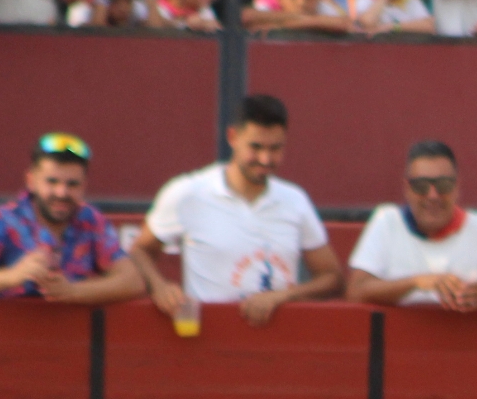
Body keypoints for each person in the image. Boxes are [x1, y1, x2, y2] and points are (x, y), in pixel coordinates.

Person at [131, 94, 342, 329]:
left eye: (275, 148)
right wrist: (160, 287)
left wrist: (283, 296)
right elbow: (139, 251)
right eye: (256, 147)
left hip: (280, 341)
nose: (265, 159)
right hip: (207, 339)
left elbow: (331, 277)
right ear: (233, 137)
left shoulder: (295, 200)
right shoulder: (188, 193)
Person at [347, 141, 477, 312]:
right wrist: (418, 282)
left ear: (457, 188)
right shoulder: (387, 222)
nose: (432, 196)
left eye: (443, 185)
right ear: (407, 189)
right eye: (421, 186)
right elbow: (356, 291)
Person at [0, 133, 145, 304]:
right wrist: (11, 276)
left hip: (74, 336)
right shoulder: (2, 221)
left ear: (84, 186)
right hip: (6, 334)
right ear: (31, 181)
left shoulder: (91, 221)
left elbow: (133, 281)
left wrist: (73, 291)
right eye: (52, 182)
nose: (61, 193)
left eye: (72, 184)